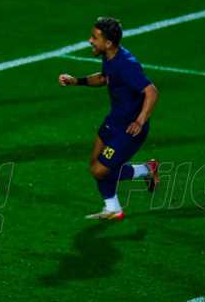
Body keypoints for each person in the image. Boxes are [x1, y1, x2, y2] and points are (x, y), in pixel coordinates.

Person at [58, 17, 161, 220]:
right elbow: (105, 78)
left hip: (129, 129)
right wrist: (76, 81)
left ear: (108, 43)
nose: (90, 40)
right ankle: (113, 208)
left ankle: (146, 170)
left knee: (99, 170)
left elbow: (152, 92)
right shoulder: (109, 56)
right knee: (94, 164)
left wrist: (140, 120)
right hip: (114, 121)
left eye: (94, 38)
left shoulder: (127, 65)